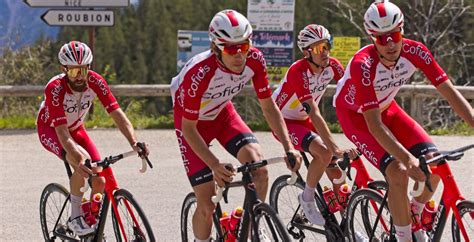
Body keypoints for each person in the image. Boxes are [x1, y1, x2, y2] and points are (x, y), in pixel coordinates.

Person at [333, 1, 473, 241]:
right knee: (398, 171)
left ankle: (413, 213)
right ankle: (404, 236)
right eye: (381, 39)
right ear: (372, 38)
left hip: (388, 108)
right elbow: (374, 125)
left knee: (436, 163)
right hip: (357, 117)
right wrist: (407, 159)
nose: (390, 44)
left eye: (394, 35)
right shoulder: (362, 66)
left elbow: (450, 93)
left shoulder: (415, 51)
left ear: (402, 30)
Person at [170, 9, 302, 241]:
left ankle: (250, 229)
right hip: (192, 126)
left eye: (245, 46)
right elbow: (188, 129)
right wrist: (214, 164)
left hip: (222, 115)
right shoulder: (199, 74)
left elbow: (269, 107)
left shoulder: (255, 60)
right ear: (216, 48)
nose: (240, 55)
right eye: (232, 49)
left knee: (259, 169)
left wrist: (288, 147)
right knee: (207, 204)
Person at [36, 41, 150, 236]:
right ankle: (74, 218)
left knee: (100, 175)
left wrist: (134, 142)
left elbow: (117, 115)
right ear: (64, 70)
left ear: (89, 67)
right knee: (82, 161)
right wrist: (77, 158)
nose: (80, 77)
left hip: (77, 128)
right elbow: (62, 133)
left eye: (83, 70)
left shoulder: (95, 81)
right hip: (51, 130)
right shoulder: (55, 89)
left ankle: (90, 217)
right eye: (73, 72)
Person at [272, 24, 358, 226]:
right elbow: (315, 112)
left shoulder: (332, 65)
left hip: (304, 120)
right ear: (306, 52)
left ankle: (347, 228)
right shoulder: (298, 71)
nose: (325, 52)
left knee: (338, 176)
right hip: (284, 122)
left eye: (327, 46)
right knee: (325, 151)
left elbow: (352, 91)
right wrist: (335, 147)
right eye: (319, 48)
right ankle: (307, 198)